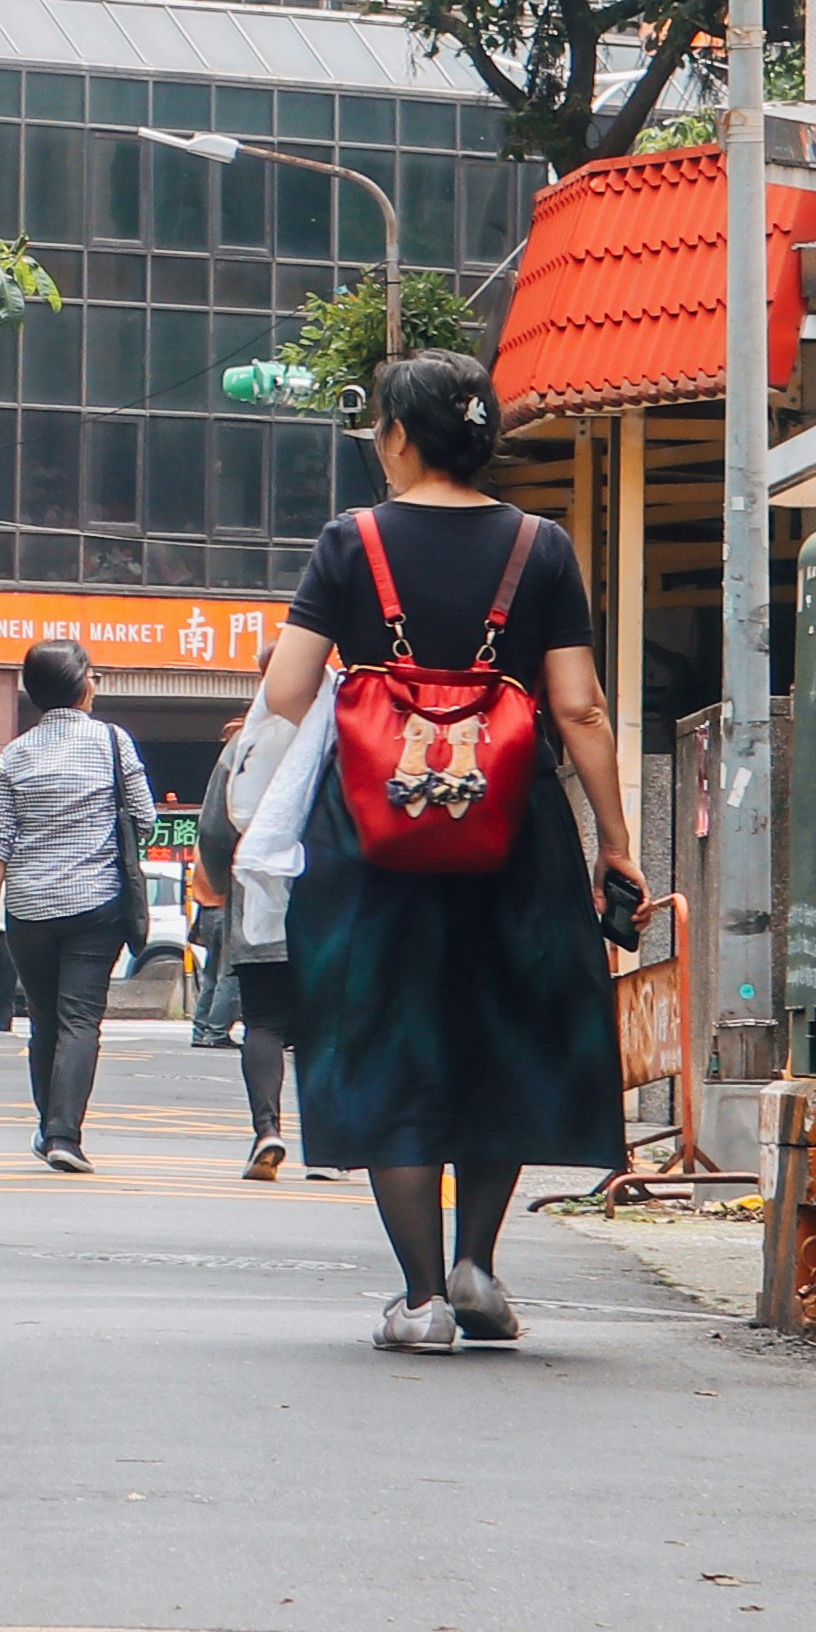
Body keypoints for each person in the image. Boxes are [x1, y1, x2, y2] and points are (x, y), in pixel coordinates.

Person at [243, 350, 640, 1350]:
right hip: (515, 838)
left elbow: (289, 691)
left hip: (376, 845)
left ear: (404, 436)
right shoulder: (539, 547)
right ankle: (478, 1265)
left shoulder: (351, 541)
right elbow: (580, 707)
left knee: (387, 1043)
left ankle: (419, 1300)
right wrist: (613, 843)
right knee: (496, 1035)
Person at [0, 640, 159, 1173]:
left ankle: (47, 1127)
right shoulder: (111, 741)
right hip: (96, 905)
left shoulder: (16, 753)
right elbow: (143, 819)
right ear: (81, 685)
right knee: (81, 1020)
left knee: (44, 1022)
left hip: (28, 910)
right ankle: (64, 1135)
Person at [215, 703, 320, 1180]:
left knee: (263, 1021)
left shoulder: (246, 742)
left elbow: (215, 828)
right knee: (330, 1025)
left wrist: (224, 880)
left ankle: (266, 1131)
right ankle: (330, 1148)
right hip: (328, 896)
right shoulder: (338, 733)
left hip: (258, 897)